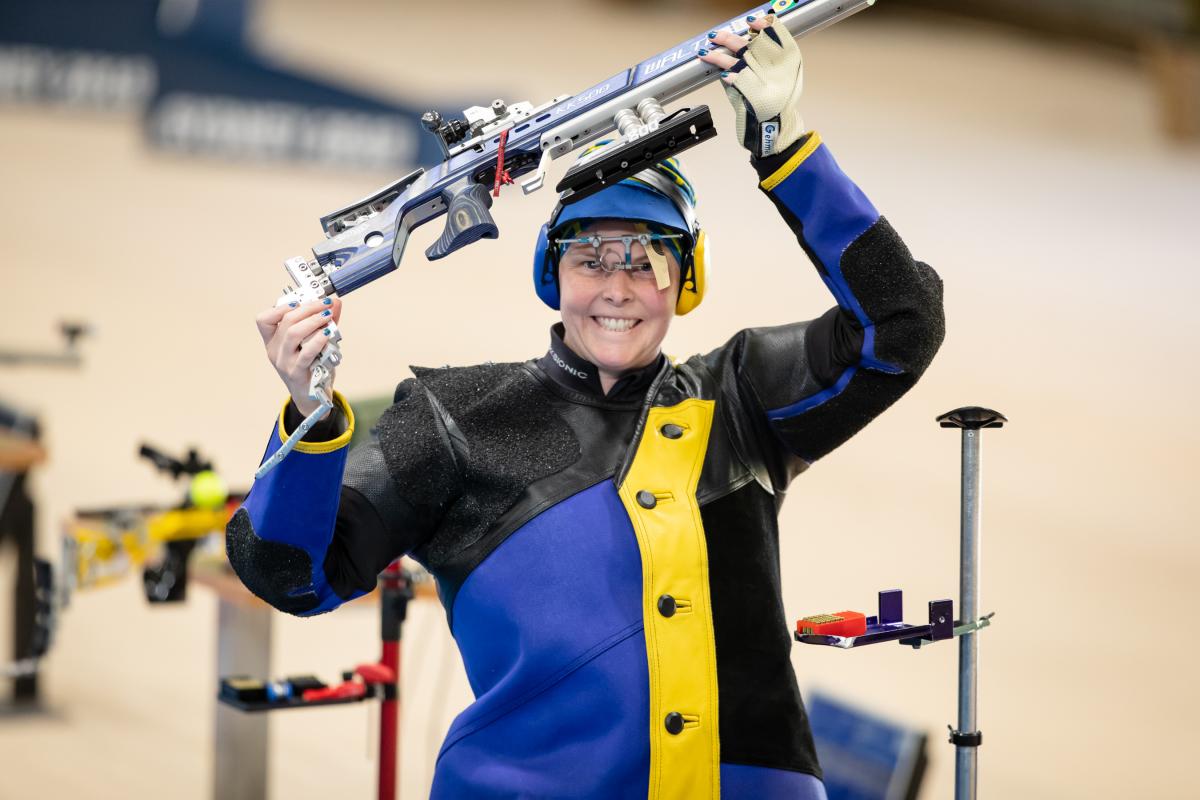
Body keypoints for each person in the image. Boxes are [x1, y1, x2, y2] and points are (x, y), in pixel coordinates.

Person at [228, 14, 944, 800]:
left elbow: (902, 322)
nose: (617, 286)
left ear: (686, 279)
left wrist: (785, 145)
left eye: (646, 259)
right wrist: (308, 416)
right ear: (552, 273)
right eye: (591, 256)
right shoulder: (457, 414)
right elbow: (287, 574)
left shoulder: (738, 398)